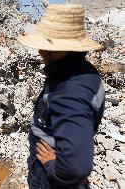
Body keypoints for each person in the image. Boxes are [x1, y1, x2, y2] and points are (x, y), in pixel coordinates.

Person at [17, 4, 105, 189]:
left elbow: (76, 167)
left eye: (44, 47)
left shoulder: (70, 89)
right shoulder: (82, 72)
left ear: (58, 50)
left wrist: (51, 166)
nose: (40, 52)